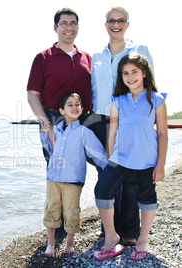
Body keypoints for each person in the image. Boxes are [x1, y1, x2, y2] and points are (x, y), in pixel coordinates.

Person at [93, 53, 167, 261]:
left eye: (134, 72)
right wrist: (111, 157)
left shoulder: (157, 100)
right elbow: (113, 132)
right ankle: (111, 237)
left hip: (147, 159)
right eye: (125, 73)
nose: (130, 76)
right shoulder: (118, 101)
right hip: (120, 158)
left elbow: (162, 133)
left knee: (146, 198)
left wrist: (160, 165)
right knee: (102, 189)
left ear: (144, 73)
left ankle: (142, 239)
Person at [90, 6, 154, 246]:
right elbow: (93, 88)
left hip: (128, 120)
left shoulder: (139, 50)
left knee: (129, 175)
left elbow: (149, 85)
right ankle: (108, 228)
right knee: (105, 173)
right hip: (99, 119)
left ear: (127, 24)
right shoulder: (96, 56)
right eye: (111, 20)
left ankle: (129, 229)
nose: (115, 24)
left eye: (120, 20)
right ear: (105, 24)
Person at [27, 7, 92, 237]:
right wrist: (46, 124)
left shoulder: (87, 58)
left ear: (77, 27)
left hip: (83, 120)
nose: (68, 27)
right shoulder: (43, 58)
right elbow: (32, 94)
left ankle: (102, 223)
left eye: (73, 23)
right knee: (57, 173)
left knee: (89, 169)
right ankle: (58, 229)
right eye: (64, 23)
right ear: (56, 27)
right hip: (53, 119)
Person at [40, 93, 107, 257]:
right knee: (51, 209)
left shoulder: (84, 132)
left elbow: (98, 154)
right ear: (62, 111)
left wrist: (110, 170)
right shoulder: (55, 130)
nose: (74, 107)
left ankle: (69, 243)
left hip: (73, 180)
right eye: (70, 105)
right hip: (53, 178)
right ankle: (51, 243)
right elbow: (48, 148)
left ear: (82, 109)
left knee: (72, 212)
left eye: (77, 104)